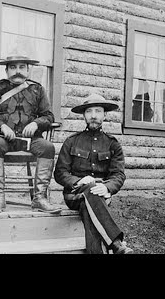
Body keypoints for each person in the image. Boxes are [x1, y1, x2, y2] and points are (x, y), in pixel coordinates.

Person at [0, 50, 61, 214]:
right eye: (13, 67)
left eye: (22, 67)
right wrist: (1, 125)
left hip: (30, 141)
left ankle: (40, 198)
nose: (18, 70)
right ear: (6, 70)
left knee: (47, 147)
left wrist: (36, 123)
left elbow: (48, 116)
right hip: (3, 139)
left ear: (28, 70)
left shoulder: (37, 90)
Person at [54, 93, 133, 254]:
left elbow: (118, 174)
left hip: (101, 195)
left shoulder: (112, 144)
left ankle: (108, 247)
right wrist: (79, 181)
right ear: (84, 115)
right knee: (90, 188)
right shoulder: (71, 141)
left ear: (104, 115)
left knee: (89, 202)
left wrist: (107, 188)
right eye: (89, 111)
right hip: (74, 195)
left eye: (98, 111)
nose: (94, 116)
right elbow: (60, 173)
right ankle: (116, 243)